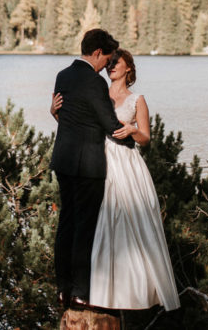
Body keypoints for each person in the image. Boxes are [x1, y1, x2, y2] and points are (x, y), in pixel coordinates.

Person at [52, 48, 180, 312]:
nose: (110, 67)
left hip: (124, 162)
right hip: (95, 159)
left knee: (125, 224)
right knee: (97, 224)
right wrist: (54, 112)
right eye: (108, 63)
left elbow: (146, 137)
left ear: (128, 68)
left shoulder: (137, 100)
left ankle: (127, 291)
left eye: (116, 63)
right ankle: (93, 290)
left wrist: (133, 130)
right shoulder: (96, 90)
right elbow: (76, 122)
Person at [49, 28, 129, 308]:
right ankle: (82, 292)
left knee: (66, 224)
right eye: (106, 60)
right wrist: (131, 139)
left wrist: (53, 112)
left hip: (63, 161)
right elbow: (110, 124)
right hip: (87, 166)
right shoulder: (95, 83)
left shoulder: (63, 75)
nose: (106, 66)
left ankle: (62, 289)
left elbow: (65, 115)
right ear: (96, 53)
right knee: (85, 228)